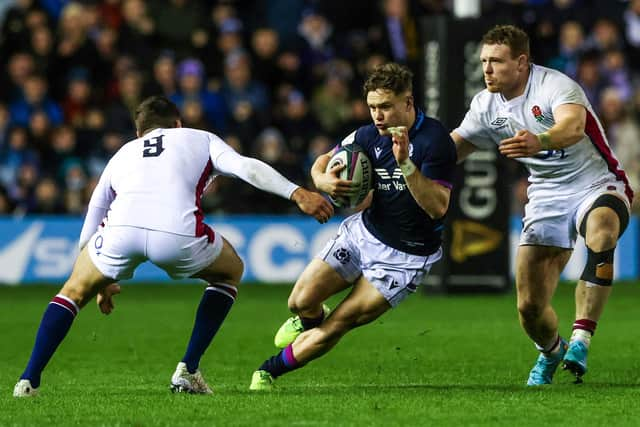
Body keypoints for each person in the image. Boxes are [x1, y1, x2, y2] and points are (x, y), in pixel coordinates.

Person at [13, 95, 333, 397]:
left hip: (120, 232)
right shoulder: (201, 138)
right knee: (230, 271)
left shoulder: (124, 152)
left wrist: (99, 277)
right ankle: (188, 370)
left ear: (139, 132)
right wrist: (296, 193)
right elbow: (246, 167)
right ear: (178, 124)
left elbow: (95, 211)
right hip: (177, 235)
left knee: (71, 291)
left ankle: (28, 379)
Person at [249, 62, 457, 390]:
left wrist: (404, 163)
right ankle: (306, 320)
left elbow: (437, 207)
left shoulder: (436, 141)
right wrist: (324, 181)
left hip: (405, 259)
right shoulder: (365, 135)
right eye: (373, 107)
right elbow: (321, 164)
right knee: (300, 301)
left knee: (338, 322)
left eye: (386, 107)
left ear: (408, 101)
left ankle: (267, 372)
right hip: (364, 234)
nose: (378, 116)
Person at [451, 25, 633, 385]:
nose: (487, 69)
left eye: (496, 62)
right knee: (529, 306)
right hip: (546, 194)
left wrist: (541, 140)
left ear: (521, 62)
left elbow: (573, 126)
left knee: (602, 230)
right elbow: (452, 147)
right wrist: (408, 161)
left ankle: (581, 337)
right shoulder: (486, 106)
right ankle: (551, 351)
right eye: (484, 61)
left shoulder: (555, 85)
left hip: (595, 181)